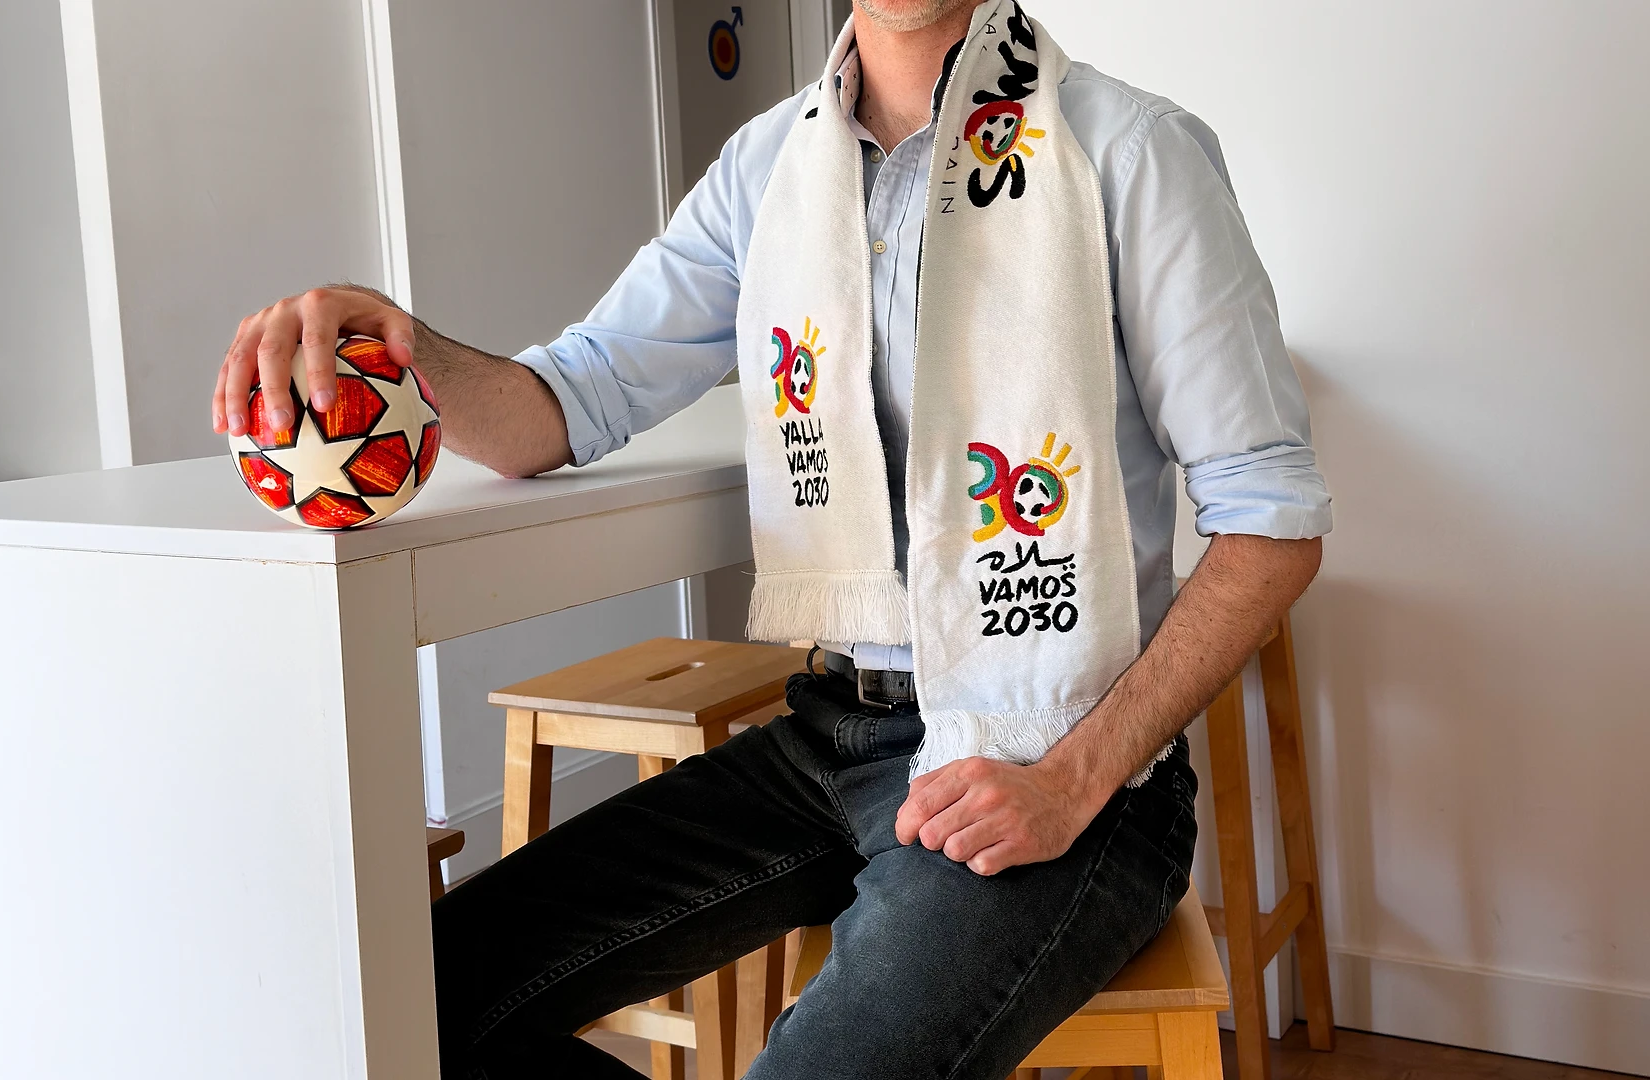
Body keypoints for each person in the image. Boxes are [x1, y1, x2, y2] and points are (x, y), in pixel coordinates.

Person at [212, 1, 1330, 1076]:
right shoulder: (768, 173)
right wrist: (404, 344)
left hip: (1058, 765)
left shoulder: (1133, 151)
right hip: (831, 738)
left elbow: (1272, 522)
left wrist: (1076, 780)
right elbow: (567, 402)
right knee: (417, 1007)